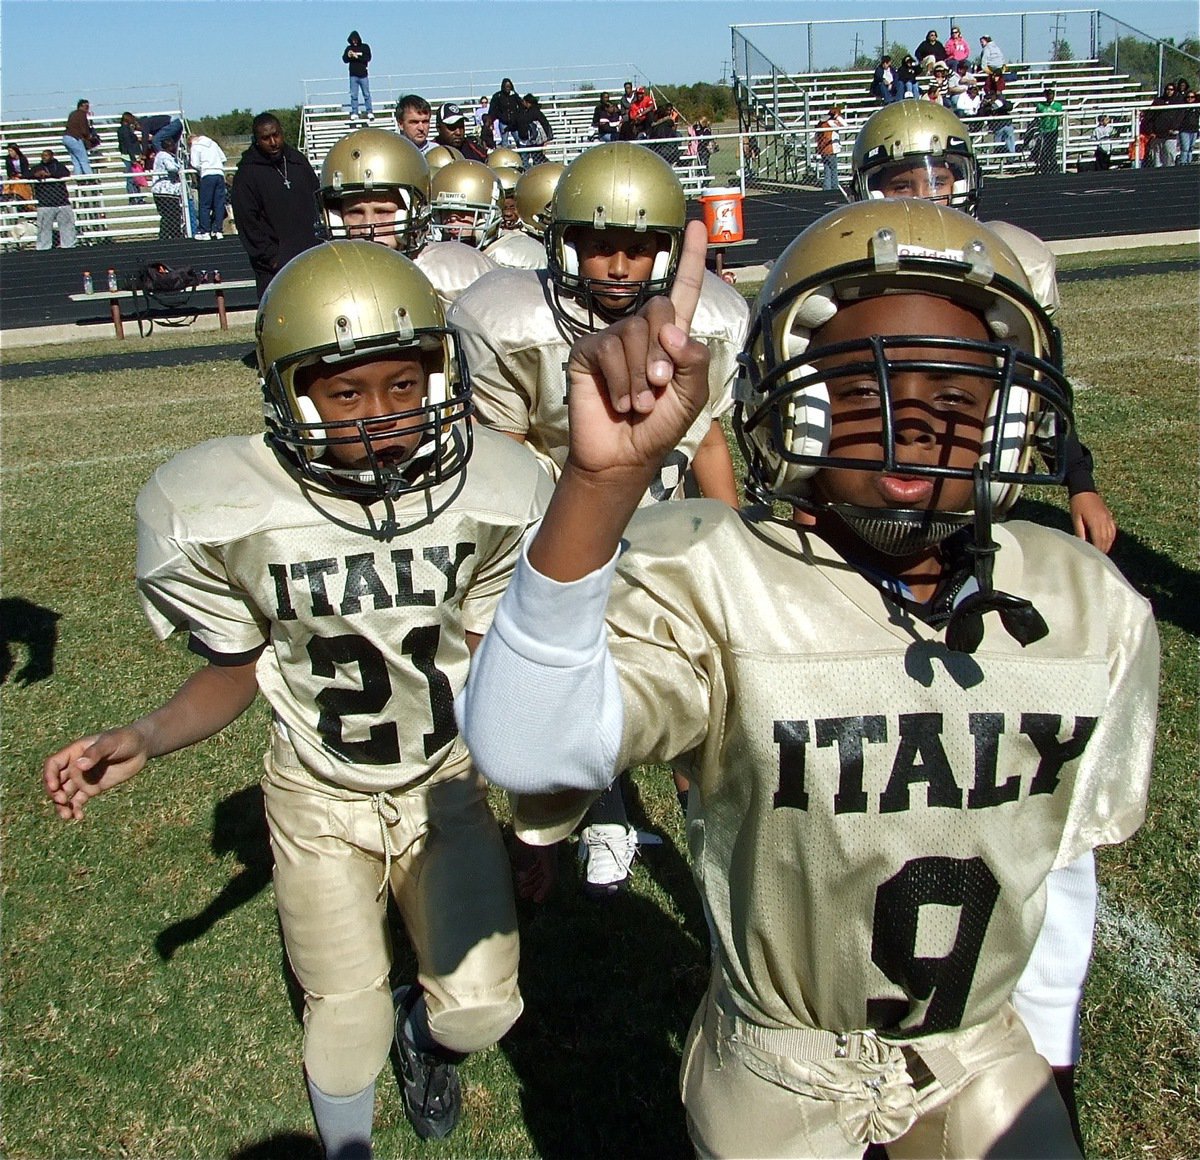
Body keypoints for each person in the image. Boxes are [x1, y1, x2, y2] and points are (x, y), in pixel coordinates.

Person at [458, 199, 1158, 1160]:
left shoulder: (1088, 605)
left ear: (1012, 417)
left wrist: (1051, 1050)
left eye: (958, 398)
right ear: (799, 404)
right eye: (871, 393)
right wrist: (600, 486)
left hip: (982, 1050)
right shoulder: (716, 575)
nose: (918, 426)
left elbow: (1057, 865)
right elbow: (522, 741)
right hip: (781, 1065)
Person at [44, 240, 550, 1157]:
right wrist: (147, 735)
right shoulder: (228, 504)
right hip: (319, 794)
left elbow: (492, 670)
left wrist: (535, 814)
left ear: (441, 375)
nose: (379, 418)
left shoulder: (497, 489)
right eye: (344, 392)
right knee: (341, 1023)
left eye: (403, 386)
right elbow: (235, 667)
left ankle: (421, 1033)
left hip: (445, 782)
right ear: (285, 393)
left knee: (481, 1013)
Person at [448, 142, 748, 899]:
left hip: (669, 532)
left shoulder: (708, 315)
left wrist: (733, 533)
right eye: (597, 244)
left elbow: (707, 433)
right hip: (564, 530)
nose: (616, 265)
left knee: (704, 686)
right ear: (560, 242)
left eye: (637, 247)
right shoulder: (512, 321)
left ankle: (707, 811)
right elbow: (504, 457)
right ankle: (594, 816)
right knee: (575, 688)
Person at [849, 99, 1118, 554]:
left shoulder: (1006, 260)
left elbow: (1038, 389)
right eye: (902, 184)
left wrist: (1080, 482)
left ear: (965, 180)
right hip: (867, 461)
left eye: (939, 179)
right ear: (870, 192)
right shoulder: (846, 264)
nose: (926, 195)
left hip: (962, 454)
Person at [316, 127, 496, 310]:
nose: (368, 227)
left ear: (414, 211)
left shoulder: (455, 274)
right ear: (335, 218)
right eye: (355, 213)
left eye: (383, 211)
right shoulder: (319, 284)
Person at [231, 112, 321, 299]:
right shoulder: (247, 174)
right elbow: (247, 222)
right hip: (274, 266)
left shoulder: (297, 161)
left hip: (309, 255)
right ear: (256, 140)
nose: (273, 142)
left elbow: (317, 198)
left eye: (276, 135)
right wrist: (271, 258)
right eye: (266, 138)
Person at [31, 149, 75, 249]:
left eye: (46, 155)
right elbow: (27, 175)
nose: (43, 157)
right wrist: (36, 175)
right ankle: (43, 249)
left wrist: (50, 175)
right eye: (42, 155)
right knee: (44, 228)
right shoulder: (37, 168)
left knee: (67, 226)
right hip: (45, 203)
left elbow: (65, 173)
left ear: (51, 156)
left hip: (62, 202)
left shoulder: (59, 166)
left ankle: (68, 246)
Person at [189, 131, 228, 240]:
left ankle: (205, 231)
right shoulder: (213, 144)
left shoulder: (195, 146)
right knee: (219, 204)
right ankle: (218, 230)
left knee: (205, 204)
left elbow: (195, 163)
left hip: (207, 175)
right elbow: (223, 158)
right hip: (219, 174)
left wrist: (201, 169)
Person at [150, 137, 188, 240]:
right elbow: (171, 168)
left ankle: (170, 235)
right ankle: (168, 236)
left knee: (170, 215)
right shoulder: (164, 156)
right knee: (171, 215)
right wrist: (181, 168)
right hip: (165, 190)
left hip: (164, 190)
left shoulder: (161, 155)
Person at [343, 30, 373, 124]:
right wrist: (348, 55)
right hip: (353, 75)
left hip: (363, 75)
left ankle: (369, 111)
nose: (354, 42)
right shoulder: (349, 48)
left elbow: (368, 58)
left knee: (366, 94)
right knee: (353, 95)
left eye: (355, 40)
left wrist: (357, 57)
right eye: (352, 40)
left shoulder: (364, 47)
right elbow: (344, 59)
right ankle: (355, 112)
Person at [816, 104, 846, 191]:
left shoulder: (821, 123)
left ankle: (827, 188)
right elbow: (844, 125)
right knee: (833, 169)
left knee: (827, 170)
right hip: (830, 148)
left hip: (823, 149)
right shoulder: (830, 123)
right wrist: (837, 117)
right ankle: (835, 187)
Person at [1033, 86, 1063, 175]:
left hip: (1053, 130)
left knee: (1051, 151)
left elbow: (1060, 117)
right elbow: (1037, 117)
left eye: (1051, 95)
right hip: (1043, 130)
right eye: (1048, 95)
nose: (1050, 97)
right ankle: (1044, 168)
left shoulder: (1057, 106)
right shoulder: (1040, 106)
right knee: (1043, 151)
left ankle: (1054, 168)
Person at [62, 98, 94, 175]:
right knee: (84, 160)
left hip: (66, 137)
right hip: (74, 138)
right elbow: (84, 130)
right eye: (86, 106)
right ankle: (91, 179)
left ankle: (79, 180)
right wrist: (90, 137)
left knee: (76, 161)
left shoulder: (72, 114)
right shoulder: (82, 114)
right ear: (81, 106)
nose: (87, 108)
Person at [488, 78, 522, 148]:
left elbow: (521, 105)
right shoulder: (497, 96)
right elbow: (492, 109)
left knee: (519, 140)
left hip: (514, 123)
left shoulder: (514, 95)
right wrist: (492, 120)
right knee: (504, 142)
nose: (508, 88)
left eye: (509, 86)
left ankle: (522, 157)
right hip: (503, 122)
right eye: (506, 86)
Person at [116, 113, 144, 199]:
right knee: (132, 178)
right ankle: (134, 198)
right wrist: (133, 158)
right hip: (129, 156)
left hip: (128, 155)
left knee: (133, 178)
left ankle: (136, 197)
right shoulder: (125, 130)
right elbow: (128, 144)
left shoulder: (123, 129)